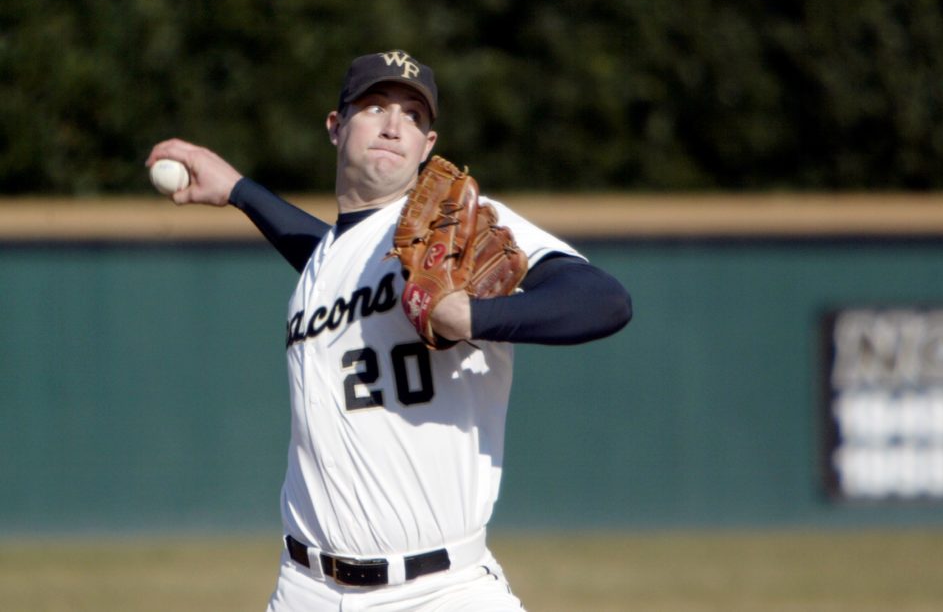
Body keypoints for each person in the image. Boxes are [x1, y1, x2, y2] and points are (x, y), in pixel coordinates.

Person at [146, 49, 632, 611]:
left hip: (440, 590)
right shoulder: (330, 260)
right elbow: (334, 256)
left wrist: (472, 317)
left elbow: (605, 300)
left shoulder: (458, 227)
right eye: (375, 106)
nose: (394, 124)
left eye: (414, 116)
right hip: (306, 588)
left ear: (428, 145)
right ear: (336, 126)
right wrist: (240, 192)